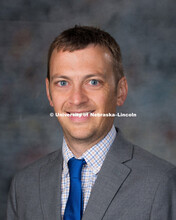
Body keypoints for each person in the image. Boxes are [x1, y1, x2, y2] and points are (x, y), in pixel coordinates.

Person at [7, 25, 176, 220]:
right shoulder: (24, 186)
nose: (77, 99)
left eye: (93, 82)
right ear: (49, 92)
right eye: (63, 82)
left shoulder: (162, 184)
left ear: (120, 91)